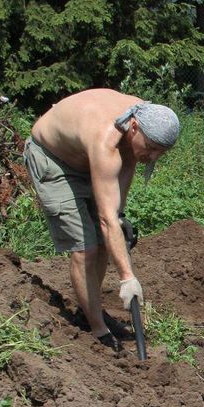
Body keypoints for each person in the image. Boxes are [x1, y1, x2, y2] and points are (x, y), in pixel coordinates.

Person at [24, 89, 180, 351]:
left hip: (85, 159)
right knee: (86, 247)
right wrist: (127, 277)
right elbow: (106, 220)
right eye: (151, 149)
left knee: (106, 240)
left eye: (160, 153)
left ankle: (88, 309)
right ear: (133, 128)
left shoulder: (143, 118)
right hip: (53, 159)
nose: (153, 157)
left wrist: (119, 217)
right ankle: (96, 328)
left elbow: (117, 200)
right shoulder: (106, 137)